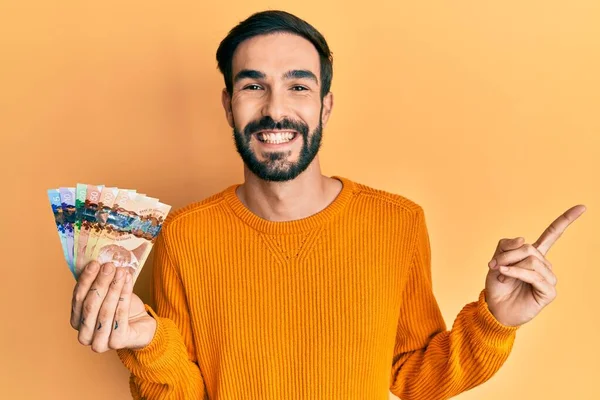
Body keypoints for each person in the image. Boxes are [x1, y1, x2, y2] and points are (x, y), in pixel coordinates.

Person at [69, 10, 586, 400]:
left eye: (298, 86)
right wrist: (148, 343)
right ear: (229, 105)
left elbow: (413, 376)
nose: (275, 109)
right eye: (253, 86)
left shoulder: (397, 223)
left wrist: (496, 319)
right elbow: (184, 392)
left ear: (325, 105)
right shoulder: (185, 233)